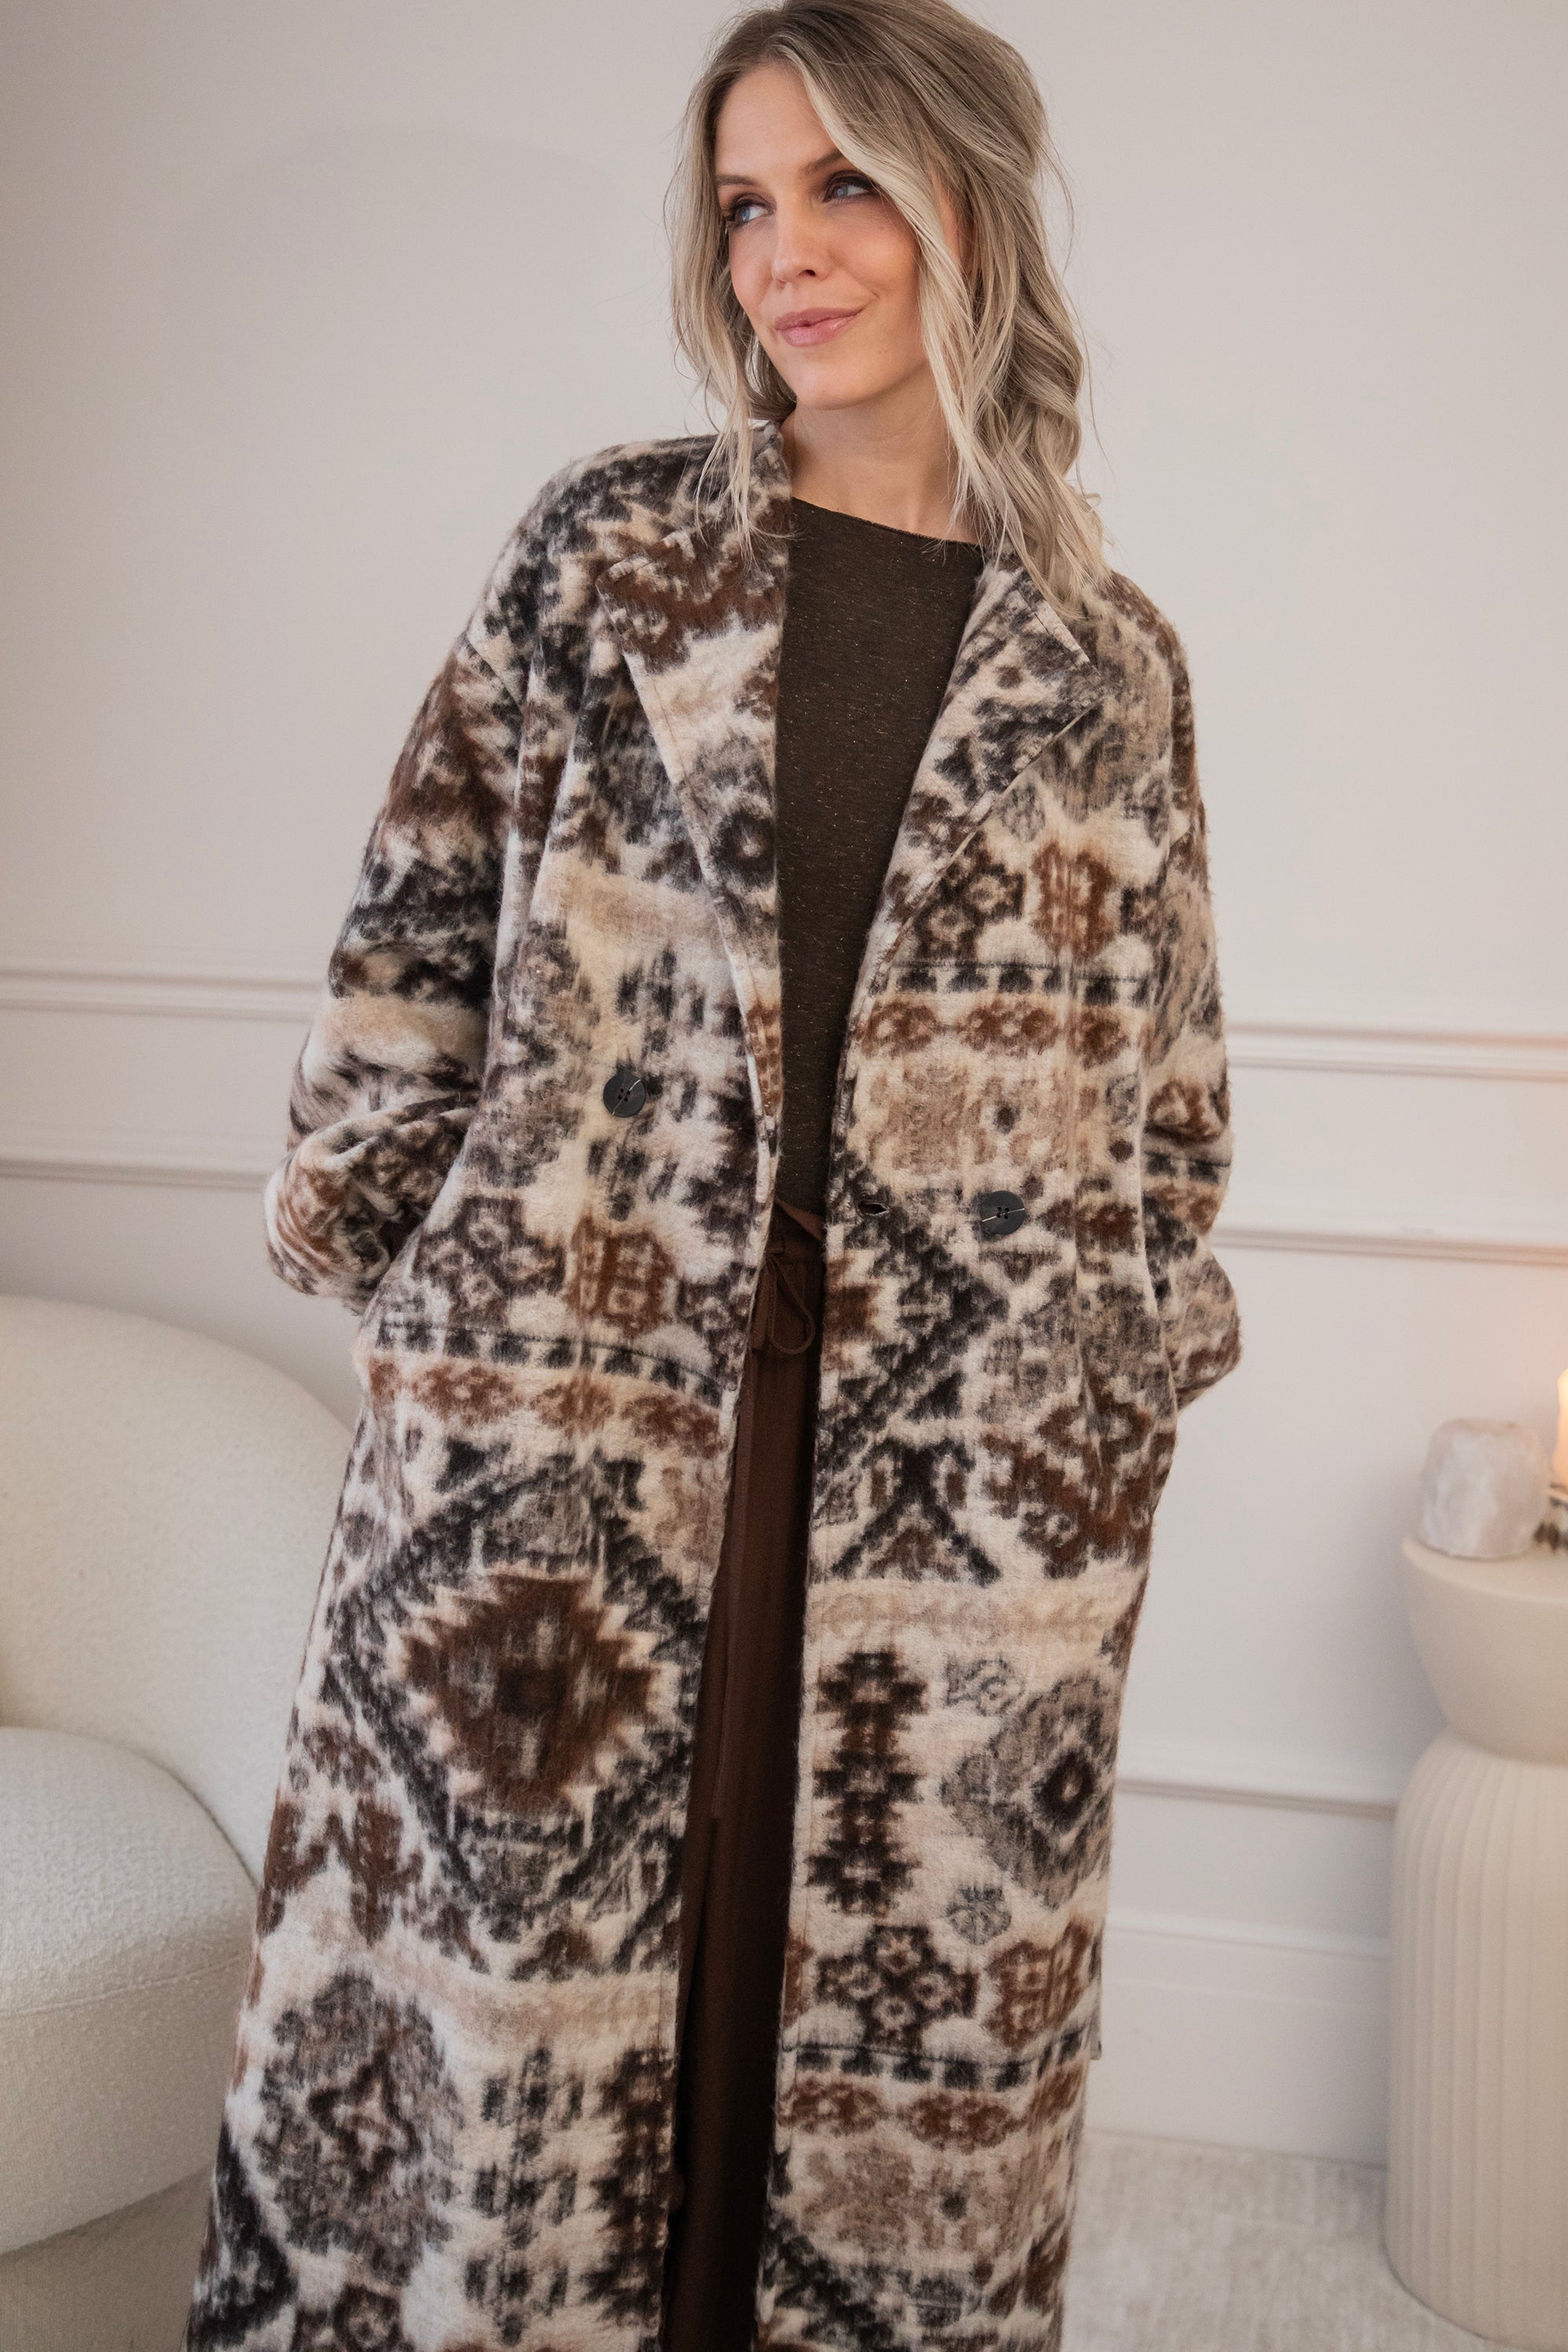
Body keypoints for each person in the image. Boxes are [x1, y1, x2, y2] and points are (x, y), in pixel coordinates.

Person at [184, 2, 1241, 2346]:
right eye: (748, 203)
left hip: (957, 1475)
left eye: (845, 184)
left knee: (876, 2021)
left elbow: (1170, 1080)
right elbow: (413, 923)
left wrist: (1133, 1355)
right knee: (521, 2024)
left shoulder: (1108, 663)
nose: (788, 253)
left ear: (969, 201)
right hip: (576, 1404)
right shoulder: (613, 555)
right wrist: (418, 1267)